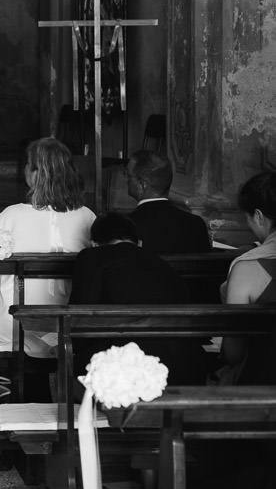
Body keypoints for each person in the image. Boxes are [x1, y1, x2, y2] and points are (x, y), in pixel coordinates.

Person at [0, 137, 95, 359]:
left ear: (36, 174)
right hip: (68, 320)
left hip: (13, 322)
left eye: (28, 165)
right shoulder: (88, 216)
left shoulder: (12, 215)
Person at [70, 212, 206, 383]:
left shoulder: (89, 256)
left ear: (94, 244)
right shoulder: (161, 263)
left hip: (121, 363)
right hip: (184, 362)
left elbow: (80, 317)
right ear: (139, 243)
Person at [220, 170, 276, 384]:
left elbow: (234, 353)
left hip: (262, 383)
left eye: (248, 218)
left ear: (259, 216)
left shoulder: (247, 268)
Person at [126, 149, 211, 252]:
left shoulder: (126, 226)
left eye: (129, 176)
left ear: (142, 185)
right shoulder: (196, 224)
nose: (127, 180)